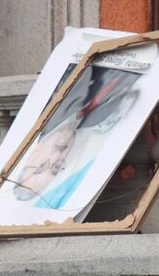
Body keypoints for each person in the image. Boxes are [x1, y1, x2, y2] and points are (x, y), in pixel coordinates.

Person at [11, 65, 141, 208]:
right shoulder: (99, 125)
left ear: (32, 155)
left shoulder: (45, 109)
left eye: (42, 166)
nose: (56, 157)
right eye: (56, 168)